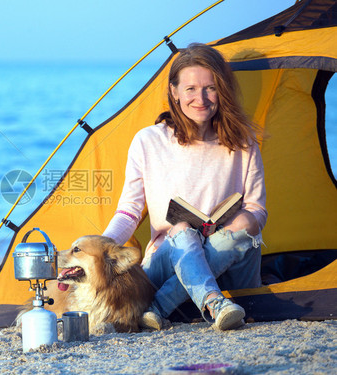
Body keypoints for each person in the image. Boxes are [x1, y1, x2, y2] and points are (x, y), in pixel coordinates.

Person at [102, 43, 267, 331]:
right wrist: (103, 246)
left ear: (223, 90)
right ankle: (215, 303)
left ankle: (161, 305)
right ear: (174, 92)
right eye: (190, 89)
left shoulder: (244, 142)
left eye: (210, 88)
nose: (200, 98)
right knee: (180, 229)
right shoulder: (148, 141)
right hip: (168, 258)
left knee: (246, 226)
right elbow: (130, 210)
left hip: (227, 252)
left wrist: (244, 220)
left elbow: (257, 209)